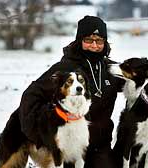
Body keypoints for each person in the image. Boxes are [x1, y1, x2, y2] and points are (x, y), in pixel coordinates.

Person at [18, 15, 123, 168]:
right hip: (68, 148)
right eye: (88, 40)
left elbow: (141, 85)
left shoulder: (112, 70)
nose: (94, 46)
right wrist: (41, 136)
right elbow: (32, 95)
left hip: (99, 147)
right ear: (79, 41)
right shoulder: (64, 69)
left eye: (99, 41)